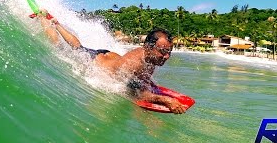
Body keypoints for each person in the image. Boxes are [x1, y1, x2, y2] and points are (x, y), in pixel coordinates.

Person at [36, 9, 186, 114]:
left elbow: (142, 80)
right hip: (94, 62)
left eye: (169, 52)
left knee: (79, 46)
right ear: (148, 47)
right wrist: (166, 101)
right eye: (163, 52)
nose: (166, 57)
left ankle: (57, 23)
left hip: (108, 57)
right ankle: (43, 18)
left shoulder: (149, 57)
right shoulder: (133, 65)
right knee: (62, 47)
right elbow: (136, 95)